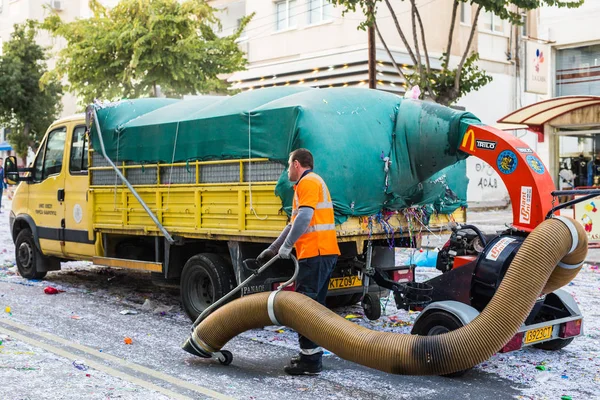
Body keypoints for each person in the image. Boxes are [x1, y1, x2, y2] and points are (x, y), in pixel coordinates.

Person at [257, 148, 340, 376]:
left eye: (287, 165)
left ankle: (310, 362)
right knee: (314, 308)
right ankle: (310, 355)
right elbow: (293, 223)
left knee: (305, 309)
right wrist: (273, 249)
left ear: (296, 164)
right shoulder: (304, 186)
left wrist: (286, 247)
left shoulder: (309, 182)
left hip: (317, 253)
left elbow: (304, 218)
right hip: (319, 253)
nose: (286, 171)